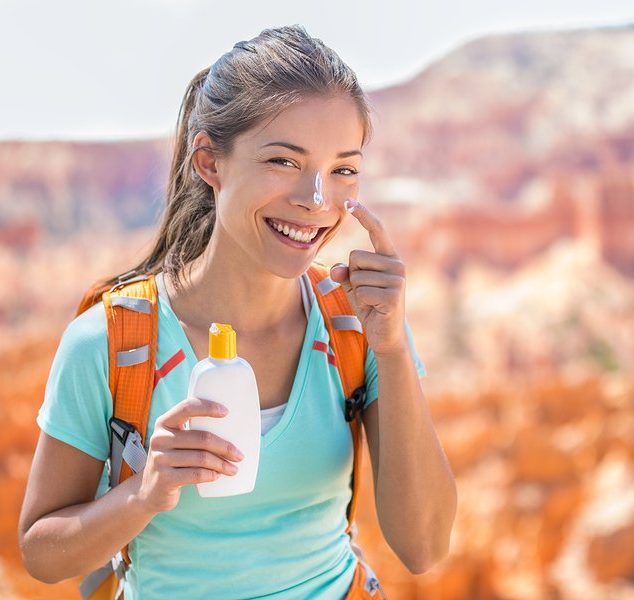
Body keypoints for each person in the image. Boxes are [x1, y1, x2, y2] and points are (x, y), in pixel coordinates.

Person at [18, 25, 457, 599]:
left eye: (343, 169)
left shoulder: (358, 326)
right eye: (283, 160)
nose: (316, 199)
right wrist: (144, 494)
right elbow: (42, 554)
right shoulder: (108, 340)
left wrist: (393, 350)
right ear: (210, 163)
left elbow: (423, 546)